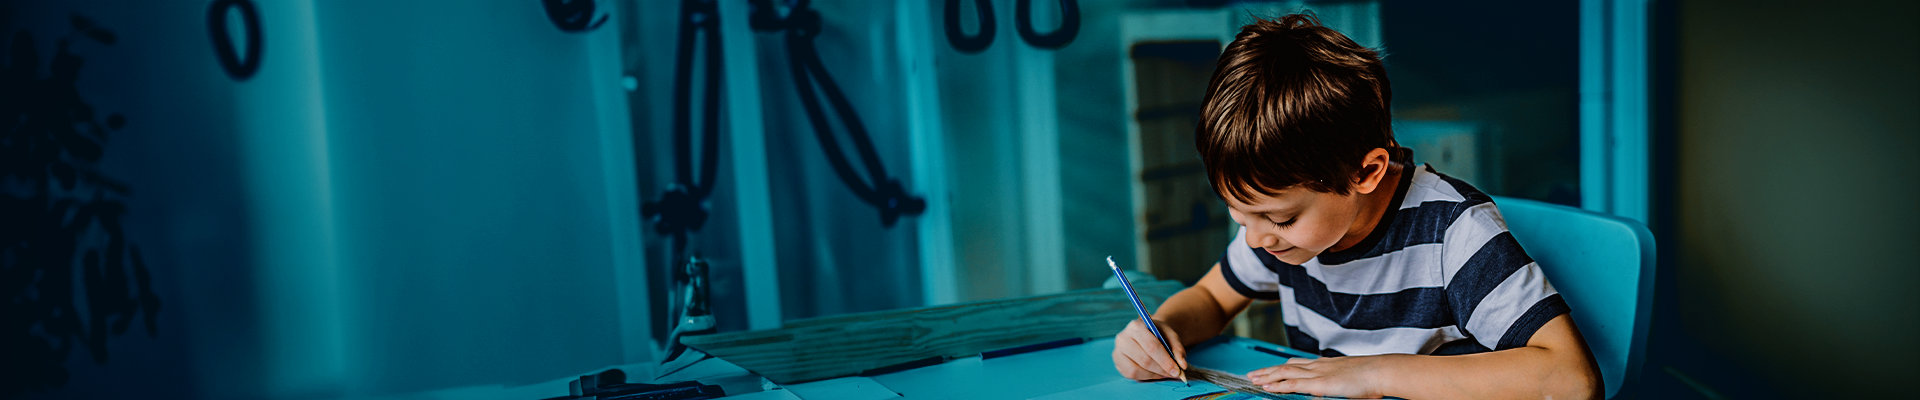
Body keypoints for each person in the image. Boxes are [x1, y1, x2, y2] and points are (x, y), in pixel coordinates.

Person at [1111, 13, 1603, 400]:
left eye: (1280, 218)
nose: (1257, 238)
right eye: (1240, 215)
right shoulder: (1279, 234)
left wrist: (1374, 373)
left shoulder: (1453, 232)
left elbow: (1571, 380)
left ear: (1366, 172)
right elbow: (1213, 299)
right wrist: (1163, 329)